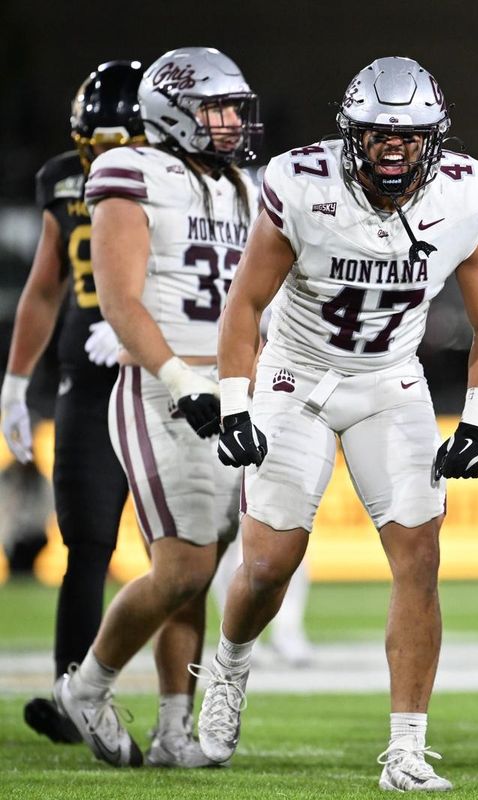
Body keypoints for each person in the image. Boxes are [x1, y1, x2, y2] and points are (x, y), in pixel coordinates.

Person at [195, 56, 478, 792]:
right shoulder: (302, 184)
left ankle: (406, 747)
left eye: (410, 137)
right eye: (376, 135)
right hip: (294, 373)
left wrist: (474, 421)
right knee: (269, 563)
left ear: (435, 139)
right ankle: (229, 670)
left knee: (419, 560)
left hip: (390, 381)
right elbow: (244, 305)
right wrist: (235, 402)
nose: (393, 149)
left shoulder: (467, 193)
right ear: (349, 134)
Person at [50, 47, 261, 769]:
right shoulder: (129, 172)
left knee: (202, 569)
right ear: (175, 111)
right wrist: (179, 379)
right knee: (178, 567)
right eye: (217, 108)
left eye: (236, 107)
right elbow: (120, 301)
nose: (232, 122)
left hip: (231, 389)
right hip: (162, 390)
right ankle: (88, 685)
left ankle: (176, 728)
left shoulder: (242, 186)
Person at [0, 61, 143, 745]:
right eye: (93, 145)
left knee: (188, 552)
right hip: (83, 378)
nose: (101, 161)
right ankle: (71, 693)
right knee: (87, 541)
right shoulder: (62, 176)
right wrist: (14, 380)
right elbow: (45, 284)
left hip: (157, 371)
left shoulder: (179, 177)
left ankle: (187, 708)